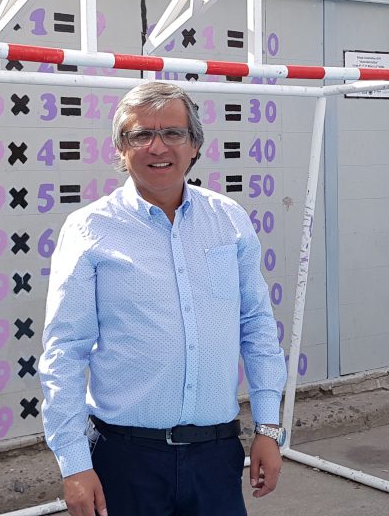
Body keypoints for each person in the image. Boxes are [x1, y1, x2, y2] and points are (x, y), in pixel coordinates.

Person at [38, 81, 288, 516]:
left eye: (173, 133)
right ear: (121, 148)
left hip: (216, 456)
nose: (158, 147)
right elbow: (64, 352)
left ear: (194, 146)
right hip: (125, 460)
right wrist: (74, 463)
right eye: (141, 135)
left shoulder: (229, 222)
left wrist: (268, 427)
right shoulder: (88, 230)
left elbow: (258, 328)